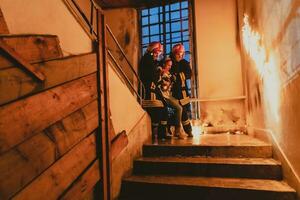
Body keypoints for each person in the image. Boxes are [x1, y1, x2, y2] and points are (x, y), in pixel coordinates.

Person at [138, 42, 170, 140]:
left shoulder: (150, 59)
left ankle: (162, 132)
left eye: (159, 53)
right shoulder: (147, 59)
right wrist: (160, 72)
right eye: (157, 52)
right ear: (153, 51)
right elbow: (152, 76)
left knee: (164, 107)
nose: (158, 55)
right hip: (149, 89)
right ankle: (157, 134)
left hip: (153, 88)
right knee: (157, 110)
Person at [157, 57, 187, 139]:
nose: (170, 67)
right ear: (164, 64)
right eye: (168, 65)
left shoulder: (169, 73)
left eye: (171, 65)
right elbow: (163, 87)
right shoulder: (161, 72)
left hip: (169, 95)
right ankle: (177, 131)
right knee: (179, 108)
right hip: (164, 95)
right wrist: (169, 81)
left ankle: (173, 129)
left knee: (178, 108)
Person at [170, 43, 193, 137]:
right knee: (173, 112)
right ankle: (175, 131)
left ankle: (188, 130)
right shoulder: (170, 62)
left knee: (184, 112)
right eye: (178, 54)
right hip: (172, 92)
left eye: (182, 54)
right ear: (174, 53)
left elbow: (189, 74)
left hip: (182, 92)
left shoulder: (184, 63)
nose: (181, 55)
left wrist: (178, 76)